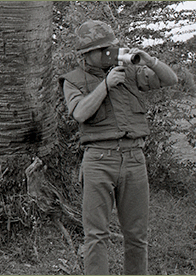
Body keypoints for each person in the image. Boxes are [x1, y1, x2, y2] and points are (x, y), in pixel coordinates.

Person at [59, 20, 177, 275]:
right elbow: (80, 113)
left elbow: (171, 79)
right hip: (99, 160)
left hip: (134, 158)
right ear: (85, 53)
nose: (108, 54)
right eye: (102, 50)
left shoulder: (129, 71)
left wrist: (150, 60)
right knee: (96, 234)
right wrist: (105, 86)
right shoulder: (74, 80)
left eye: (110, 48)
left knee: (137, 235)